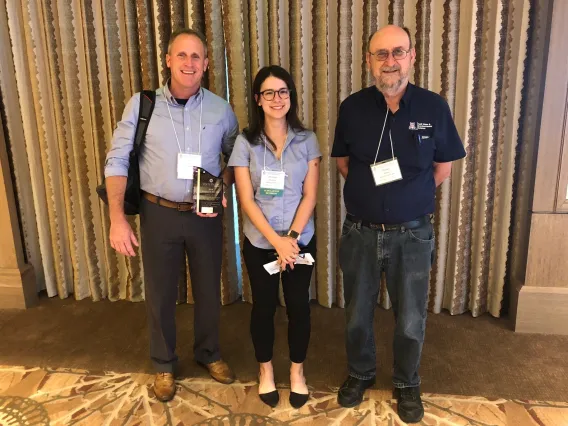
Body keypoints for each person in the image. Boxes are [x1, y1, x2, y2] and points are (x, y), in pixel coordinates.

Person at [331, 25, 466, 423]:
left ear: (411, 56)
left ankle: (407, 382)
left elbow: (444, 167)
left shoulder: (433, 107)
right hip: (360, 231)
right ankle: (360, 373)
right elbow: (343, 164)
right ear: (369, 61)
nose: (390, 61)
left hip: (412, 233)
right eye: (381, 54)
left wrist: (409, 198)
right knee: (357, 313)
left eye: (398, 52)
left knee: (410, 317)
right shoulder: (352, 107)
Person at [104, 28, 239, 402]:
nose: (189, 63)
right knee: (161, 293)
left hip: (205, 215)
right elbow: (116, 159)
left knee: (210, 290)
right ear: (168, 60)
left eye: (197, 57)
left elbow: (237, 158)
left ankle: (208, 353)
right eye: (182, 55)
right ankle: (164, 363)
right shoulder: (142, 105)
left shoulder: (220, 109)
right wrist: (118, 218)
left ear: (207, 64)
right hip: (158, 211)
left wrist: (221, 186)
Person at [229, 65, 321, 408]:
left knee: (299, 307)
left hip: (300, 240)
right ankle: (265, 370)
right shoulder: (245, 143)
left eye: (283, 91)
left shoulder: (308, 140)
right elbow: (246, 199)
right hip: (260, 242)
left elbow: (310, 195)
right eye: (269, 92)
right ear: (258, 99)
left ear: (291, 96)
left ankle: (298, 372)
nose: (277, 98)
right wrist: (277, 241)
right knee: (264, 307)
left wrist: (292, 237)